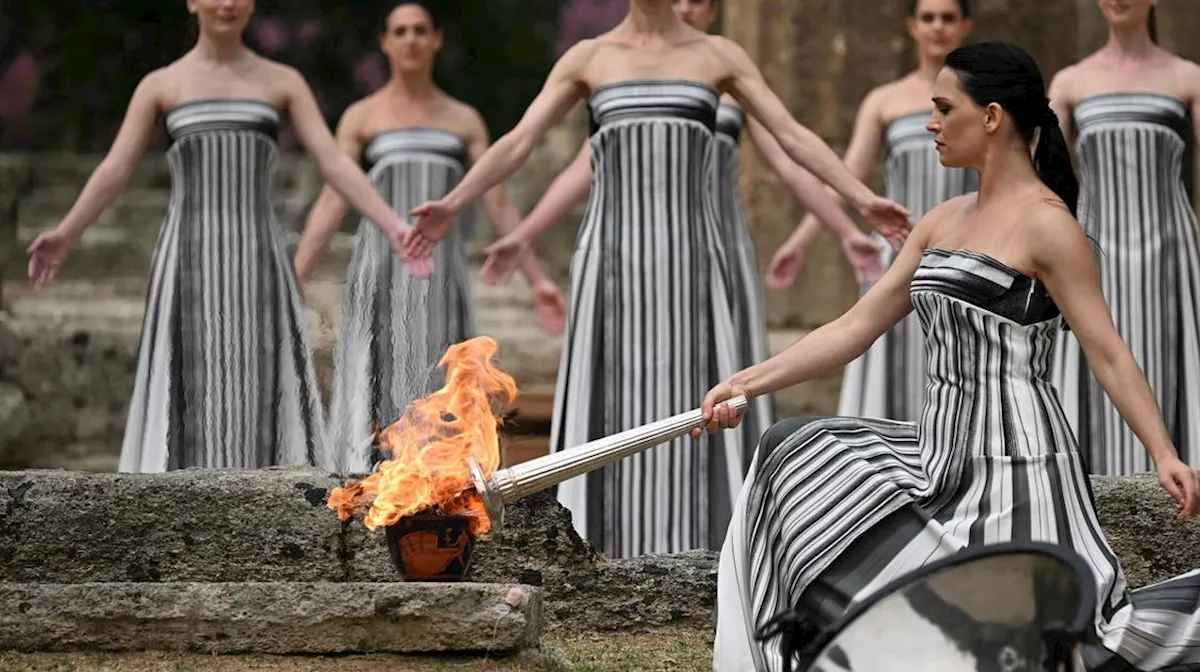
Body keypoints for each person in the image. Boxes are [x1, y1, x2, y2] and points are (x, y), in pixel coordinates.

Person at [698, 41, 1200, 672]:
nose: (931, 124)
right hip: (937, 454)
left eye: (945, 109)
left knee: (1056, 649)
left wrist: (1162, 451)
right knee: (791, 451)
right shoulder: (941, 221)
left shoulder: (1049, 227)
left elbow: (1107, 352)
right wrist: (744, 383)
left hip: (1017, 465)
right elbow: (856, 326)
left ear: (992, 116)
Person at [402, 0, 912, 559]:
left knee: (705, 397)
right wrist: (453, 205)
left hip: (694, 260)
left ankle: (711, 551)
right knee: (611, 397)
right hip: (612, 262)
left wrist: (864, 200)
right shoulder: (589, 58)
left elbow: (792, 138)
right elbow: (519, 141)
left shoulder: (718, 55)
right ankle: (598, 550)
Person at [479, 0, 885, 472]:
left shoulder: (725, 71)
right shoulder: (607, 65)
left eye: (698, 1)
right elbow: (582, 169)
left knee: (712, 371)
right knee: (620, 381)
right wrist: (523, 235)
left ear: (713, 11)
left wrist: (840, 225)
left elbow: (791, 159)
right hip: (623, 248)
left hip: (711, 246)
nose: (686, 7)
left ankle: (716, 492)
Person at [25, 0, 427, 472]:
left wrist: (394, 224)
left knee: (259, 383)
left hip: (259, 258)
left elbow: (335, 162)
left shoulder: (282, 81)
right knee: (189, 382)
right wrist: (67, 232)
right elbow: (116, 168)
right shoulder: (161, 85)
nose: (227, 3)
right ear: (193, 3)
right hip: (186, 260)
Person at [292, 3, 566, 474]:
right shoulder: (362, 117)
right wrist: (296, 273)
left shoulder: (462, 120)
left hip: (442, 278)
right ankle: (369, 483)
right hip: (380, 272)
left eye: (421, 30)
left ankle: (443, 485)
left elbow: (496, 201)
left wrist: (538, 280)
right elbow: (334, 198)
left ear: (436, 40)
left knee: (443, 384)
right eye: (400, 31)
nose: (411, 39)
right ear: (385, 42)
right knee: (377, 379)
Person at [1047, 0, 1200, 475]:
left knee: (1167, 366)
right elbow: (1041, 171)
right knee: (1092, 364)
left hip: (1168, 254)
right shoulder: (1071, 82)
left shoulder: (1186, 77)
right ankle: (1084, 494)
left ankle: (1180, 495)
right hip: (1093, 254)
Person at [767, 0, 977, 423]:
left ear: (964, 27)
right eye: (928, 18)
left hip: (968, 255)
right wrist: (801, 241)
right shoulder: (884, 100)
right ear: (912, 27)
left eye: (948, 18)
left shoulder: (983, 102)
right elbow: (848, 178)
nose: (937, 27)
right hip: (899, 258)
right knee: (890, 370)